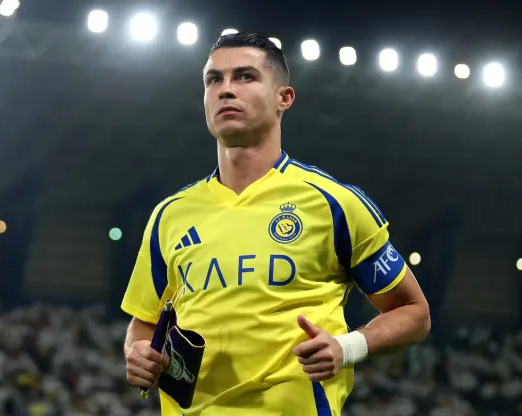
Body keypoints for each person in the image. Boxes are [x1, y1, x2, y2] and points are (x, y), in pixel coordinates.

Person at [122, 32, 431, 416]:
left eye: (245, 77)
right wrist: (137, 353)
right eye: (213, 80)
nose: (225, 90)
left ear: (284, 98)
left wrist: (347, 347)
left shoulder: (333, 203)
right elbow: (143, 323)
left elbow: (414, 312)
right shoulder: (170, 214)